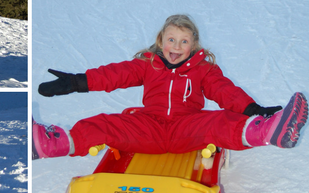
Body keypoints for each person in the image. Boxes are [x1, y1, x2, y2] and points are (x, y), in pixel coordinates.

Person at [32, 14, 308, 159]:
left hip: (186, 128)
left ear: (194, 45)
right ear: (161, 40)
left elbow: (224, 91)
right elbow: (114, 75)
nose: (176, 46)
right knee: (105, 124)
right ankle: (51, 144)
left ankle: (269, 130)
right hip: (148, 128)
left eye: (184, 41)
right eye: (171, 39)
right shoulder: (147, 64)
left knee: (219, 122)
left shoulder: (203, 69)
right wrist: (76, 82)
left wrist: (252, 109)